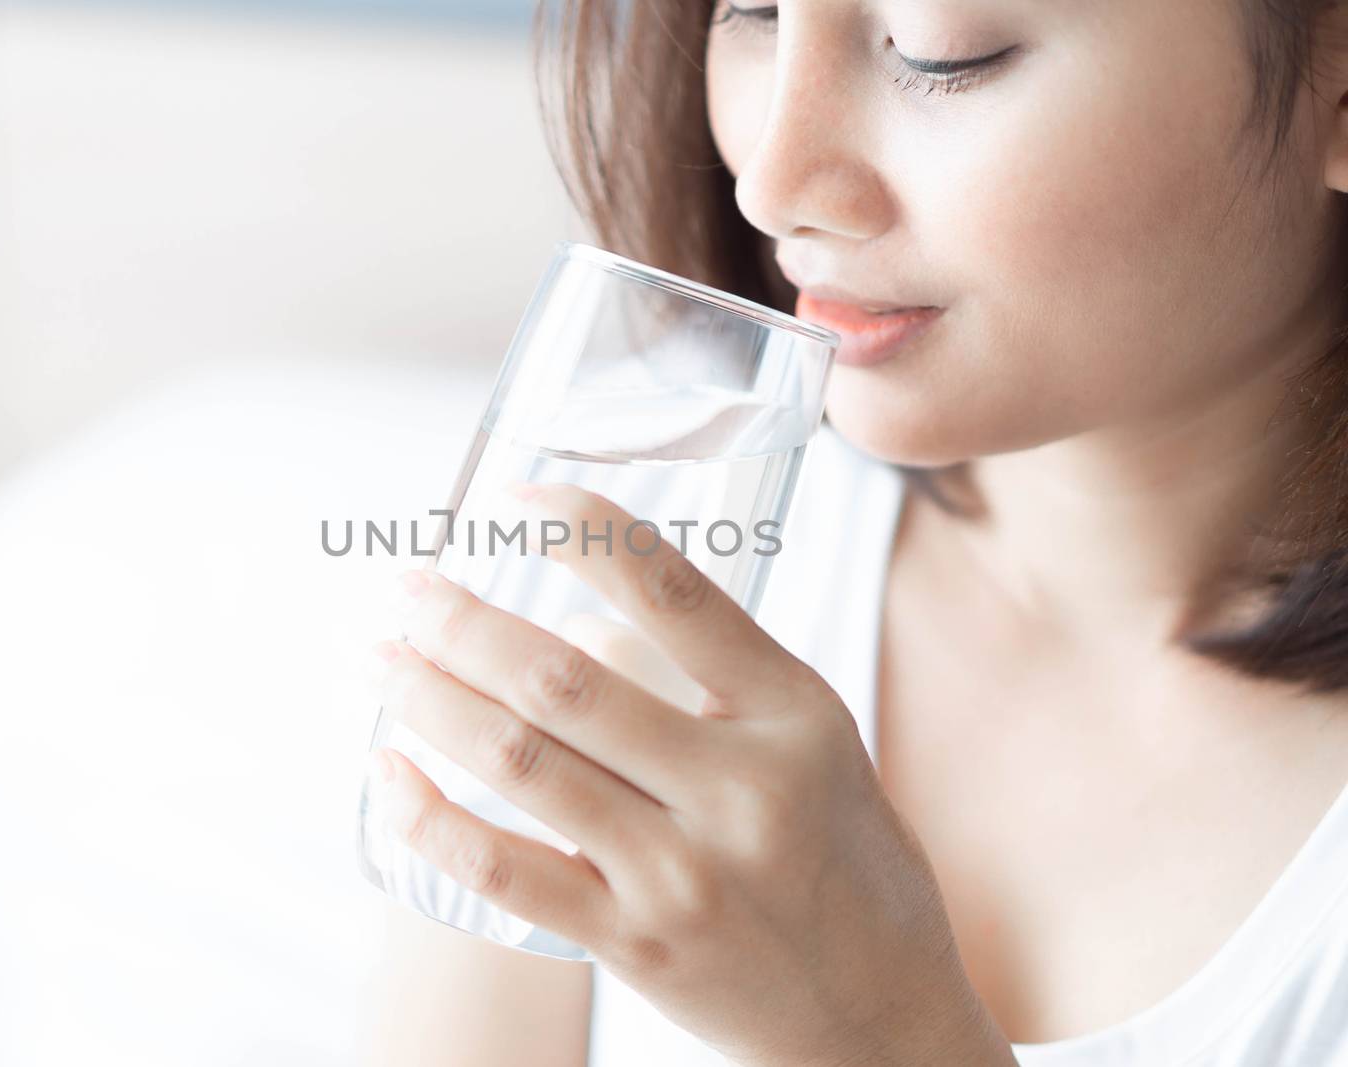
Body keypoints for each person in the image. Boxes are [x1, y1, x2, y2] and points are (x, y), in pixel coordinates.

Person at [359, 0, 1348, 1063]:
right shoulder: (651, 539)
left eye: (942, 54)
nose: (771, 184)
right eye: (752, 12)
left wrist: (870, 1033)